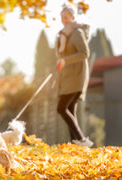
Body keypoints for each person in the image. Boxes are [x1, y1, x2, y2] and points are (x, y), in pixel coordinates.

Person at [56, 5, 94, 147]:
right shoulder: (64, 35)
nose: (64, 20)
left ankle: (81, 139)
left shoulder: (77, 33)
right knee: (70, 109)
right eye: (62, 18)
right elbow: (61, 55)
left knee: (61, 108)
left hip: (76, 76)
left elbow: (85, 53)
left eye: (66, 17)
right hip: (67, 77)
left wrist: (66, 60)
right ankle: (75, 143)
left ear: (73, 18)